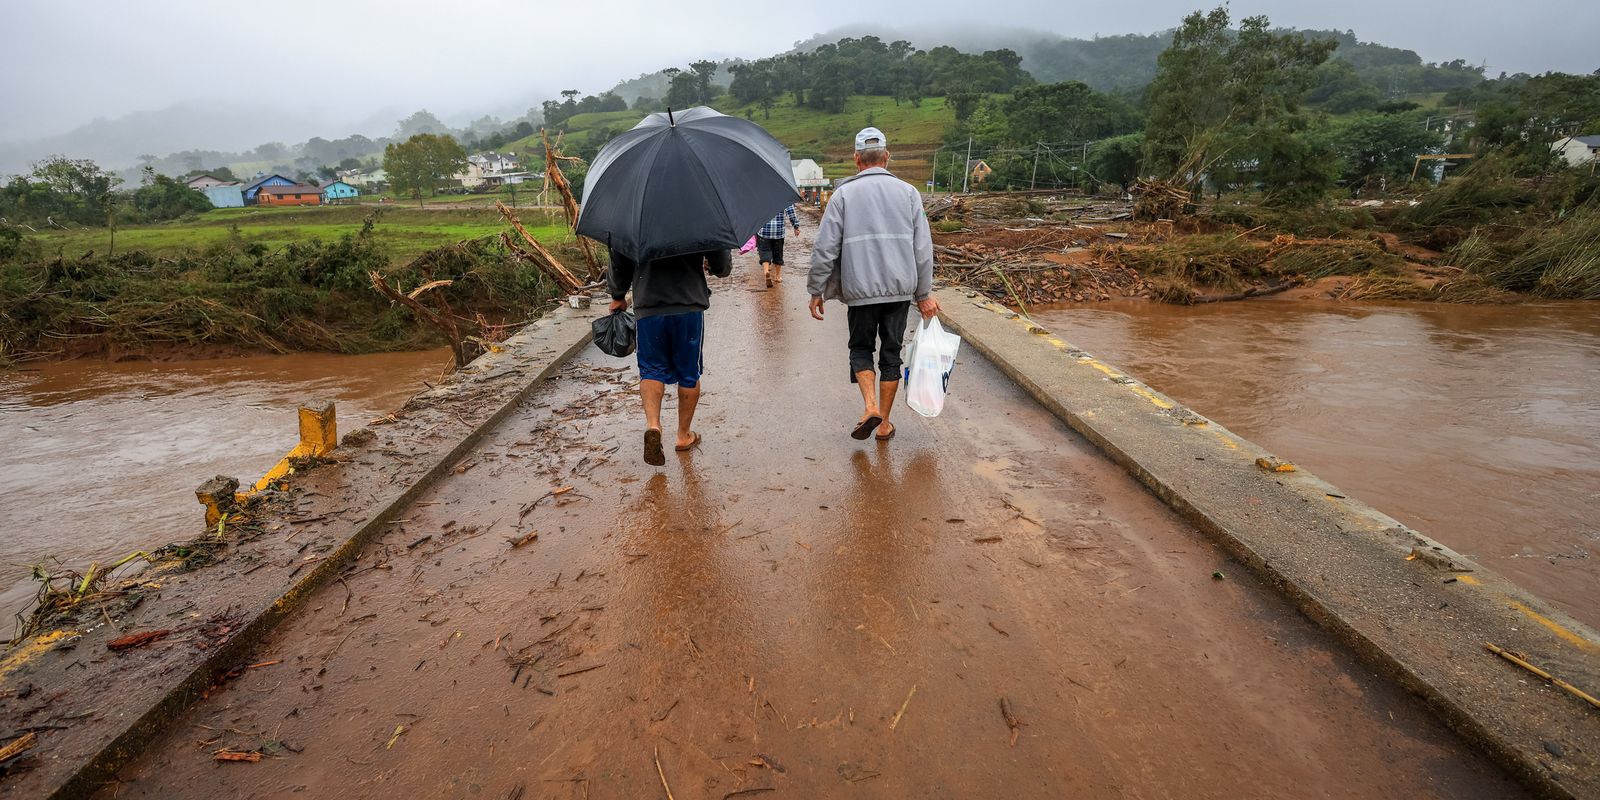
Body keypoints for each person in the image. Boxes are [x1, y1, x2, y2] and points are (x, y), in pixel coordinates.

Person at [807, 127, 939, 442]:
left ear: (856, 159)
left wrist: (816, 289)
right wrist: (923, 294)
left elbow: (824, 248)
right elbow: (923, 249)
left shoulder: (842, 195)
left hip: (860, 291)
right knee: (891, 353)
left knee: (860, 348)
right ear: (886, 157)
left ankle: (869, 407)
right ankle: (884, 424)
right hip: (899, 290)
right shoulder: (908, 193)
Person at [608, 247, 733, 465]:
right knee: (689, 372)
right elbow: (721, 263)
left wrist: (618, 295)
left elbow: (620, 256)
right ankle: (683, 435)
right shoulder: (701, 214)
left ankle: (653, 425)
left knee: (650, 369)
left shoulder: (637, 215)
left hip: (649, 305)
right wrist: (715, 267)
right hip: (688, 304)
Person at [755, 204, 801, 287]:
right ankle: (777, 276)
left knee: (765, 251)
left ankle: (766, 272)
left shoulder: (760, 195)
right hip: (778, 232)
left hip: (764, 231)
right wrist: (796, 226)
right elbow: (791, 212)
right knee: (778, 254)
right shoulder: (783, 195)